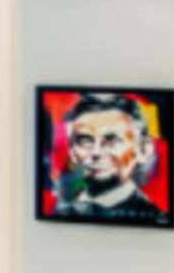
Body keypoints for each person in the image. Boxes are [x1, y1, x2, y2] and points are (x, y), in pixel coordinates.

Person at [50, 92, 164, 222]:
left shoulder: (153, 218)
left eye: (112, 141)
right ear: (71, 151)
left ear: (143, 150)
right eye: (85, 141)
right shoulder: (61, 212)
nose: (96, 152)